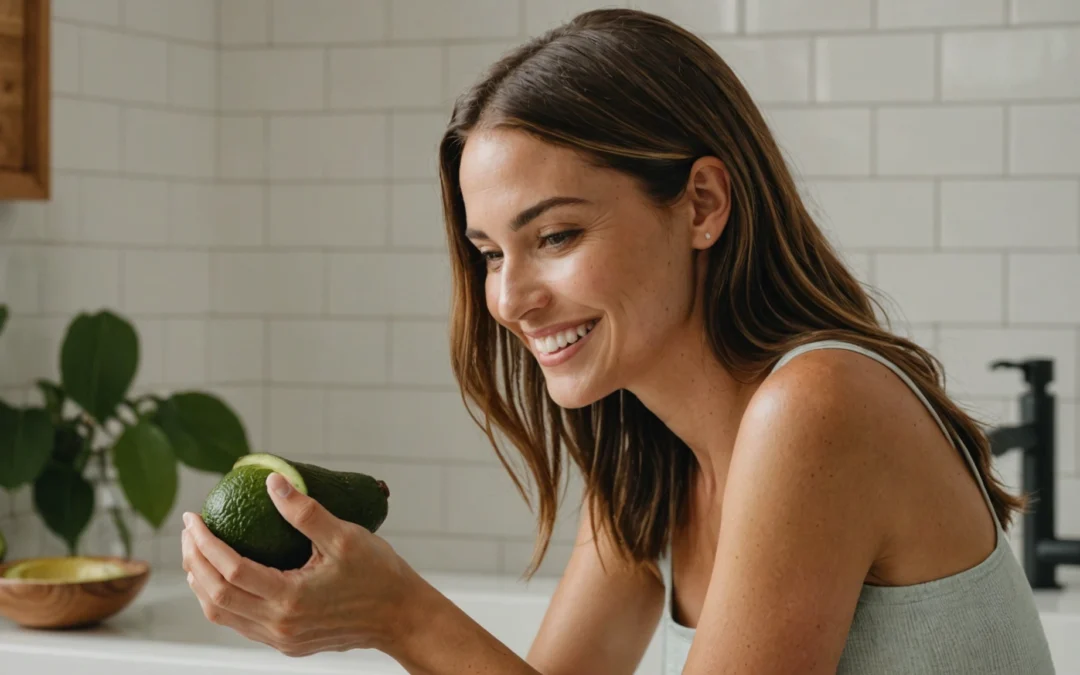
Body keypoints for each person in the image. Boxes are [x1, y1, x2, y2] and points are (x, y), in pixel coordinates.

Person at [180, 8, 1056, 674]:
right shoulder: (651, 464)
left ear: (703, 205)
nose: (511, 297)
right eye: (490, 253)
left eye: (556, 236)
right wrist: (363, 608)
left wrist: (400, 614)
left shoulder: (816, 405)